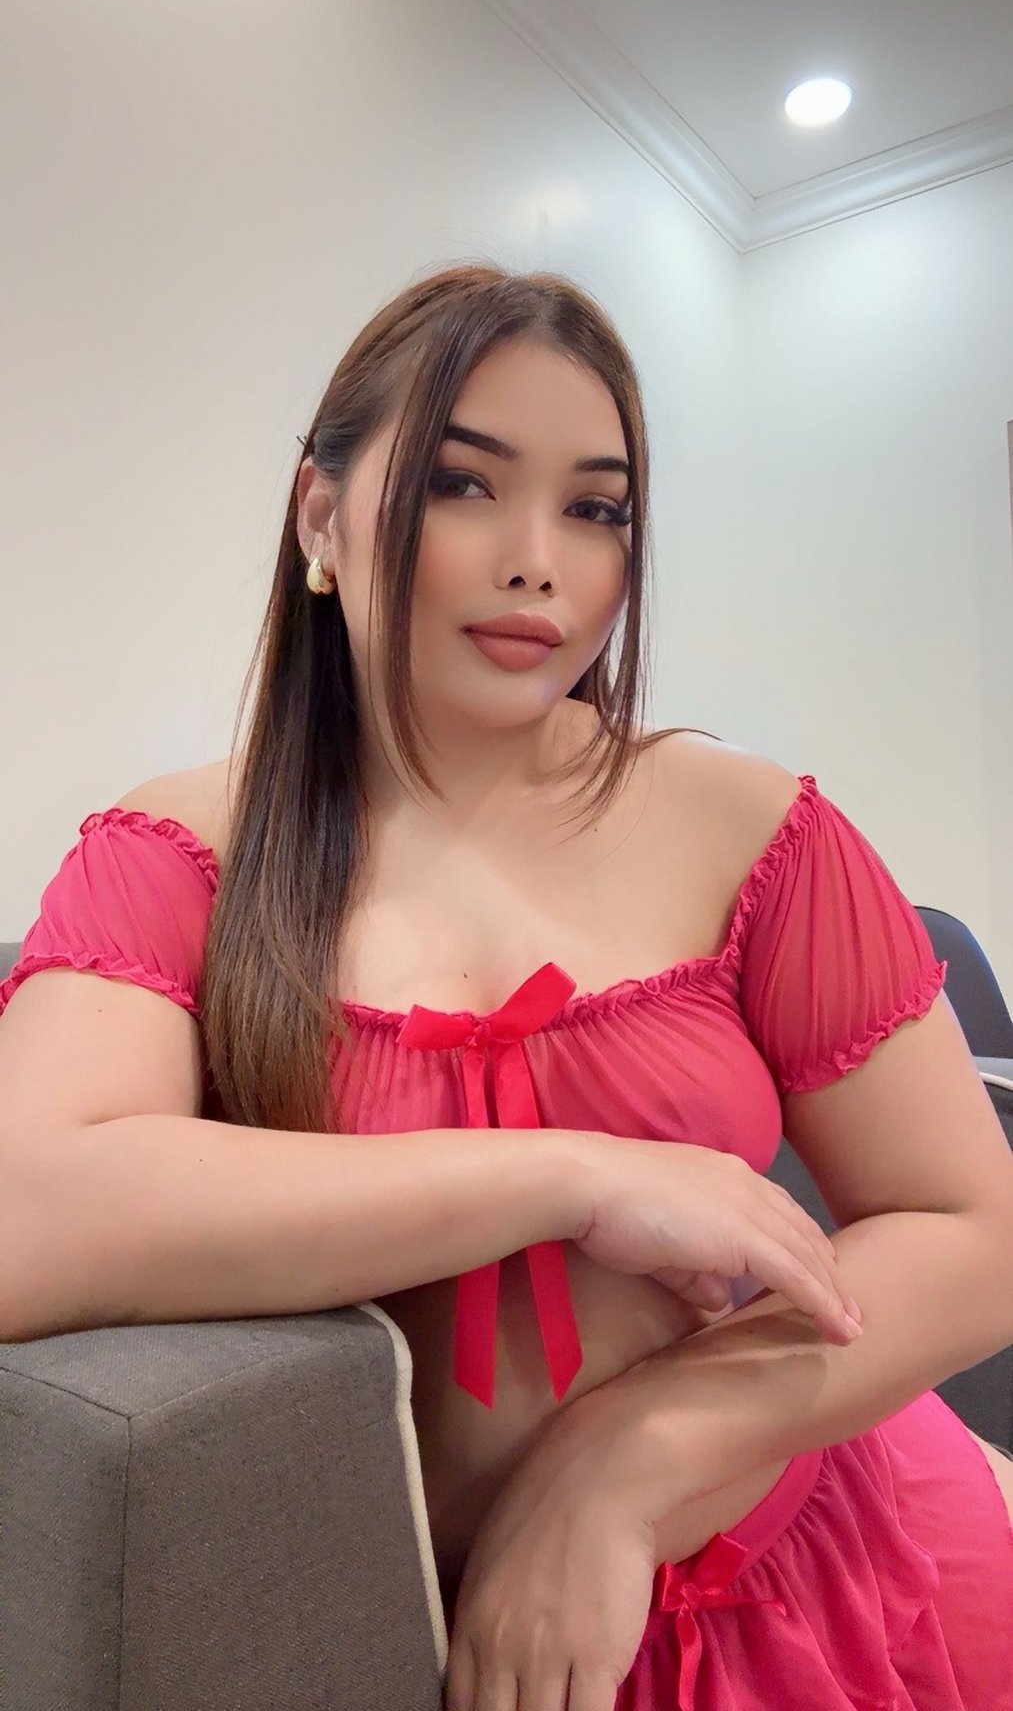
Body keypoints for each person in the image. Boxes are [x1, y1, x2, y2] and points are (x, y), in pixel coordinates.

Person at [1, 262, 1011, 1710]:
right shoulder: (177, 854)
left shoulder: (754, 828)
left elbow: (974, 1227)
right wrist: (569, 1175)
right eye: (464, 484)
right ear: (319, 519)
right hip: (410, 1639)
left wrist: (623, 1463)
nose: (540, 561)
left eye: (596, 510)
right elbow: (28, 1214)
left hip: (794, 1576)